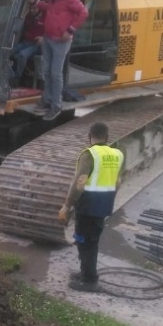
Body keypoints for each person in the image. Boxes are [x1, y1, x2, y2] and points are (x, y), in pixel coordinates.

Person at [58, 122, 124, 292]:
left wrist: (66, 206)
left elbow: (79, 184)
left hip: (88, 205)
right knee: (88, 239)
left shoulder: (89, 155)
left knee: (85, 241)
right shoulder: (117, 154)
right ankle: (85, 272)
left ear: (89, 137)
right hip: (103, 205)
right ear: (107, 137)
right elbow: (118, 182)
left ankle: (89, 280)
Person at [27, 0, 89, 120]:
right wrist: (35, 2)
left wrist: (70, 30)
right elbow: (50, 9)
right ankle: (47, 99)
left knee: (55, 73)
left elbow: (83, 12)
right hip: (48, 38)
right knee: (47, 71)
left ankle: (56, 105)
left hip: (61, 41)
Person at [10, 4, 45, 85]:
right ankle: (10, 73)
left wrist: (44, 38)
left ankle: (17, 78)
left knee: (22, 55)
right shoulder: (28, 16)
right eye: (30, 8)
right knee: (10, 50)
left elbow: (51, 32)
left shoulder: (45, 18)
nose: (32, 10)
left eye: (34, 8)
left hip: (36, 45)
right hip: (26, 42)